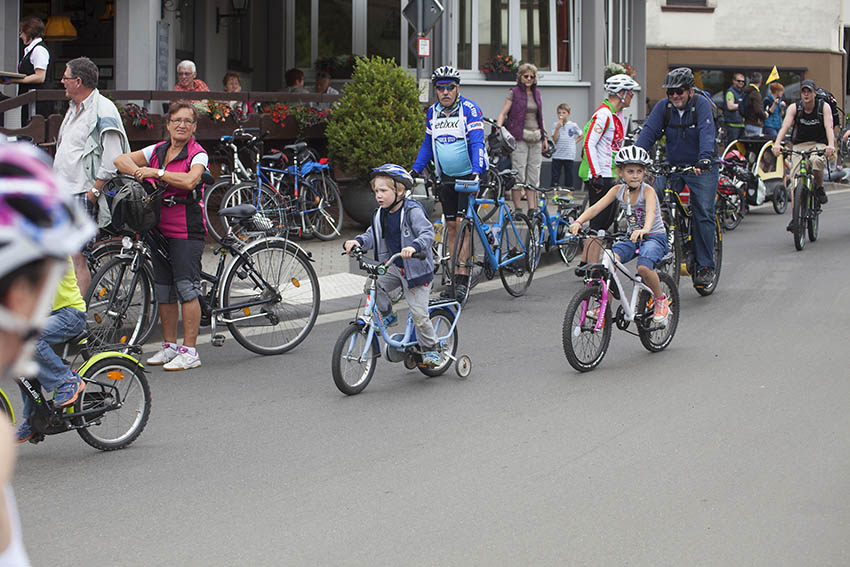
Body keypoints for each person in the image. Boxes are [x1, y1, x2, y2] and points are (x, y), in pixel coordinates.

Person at [0, 141, 96, 564]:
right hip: (47, 314)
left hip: (69, 316)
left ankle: (68, 382)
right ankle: (34, 418)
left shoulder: (49, 259)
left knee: (31, 347)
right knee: (24, 366)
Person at [114, 102, 209, 371]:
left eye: (188, 121)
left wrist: (157, 173)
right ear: (167, 124)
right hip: (157, 227)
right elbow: (120, 159)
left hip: (186, 229)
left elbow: (191, 181)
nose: (182, 125)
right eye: (177, 120)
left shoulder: (197, 154)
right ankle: (170, 347)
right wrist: (137, 171)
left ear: (194, 127)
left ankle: (190, 351)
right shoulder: (157, 149)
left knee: (187, 288)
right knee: (164, 289)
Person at [342, 165, 441, 367]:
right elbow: (371, 234)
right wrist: (357, 242)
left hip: (416, 270)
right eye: (376, 191)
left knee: (420, 315)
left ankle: (432, 349)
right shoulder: (381, 214)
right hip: (395, 266)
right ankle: (387, 316)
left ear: (399, 191)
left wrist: (414, 247)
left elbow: (427, 233)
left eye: (384, 191)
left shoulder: (412, 210)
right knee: (372, 285)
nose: (379, 195)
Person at [53, 56, 130, 297]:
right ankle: (67, 312)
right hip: (65, 192)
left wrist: (94, 191)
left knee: (77, 257)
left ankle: (76, 321)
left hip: (82, 191)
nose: (62, 82)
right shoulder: (74, 108)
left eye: (65, 78)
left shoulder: (103, 109)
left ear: (78, 81)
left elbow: (113, 157)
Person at [410, 65, 487, 302]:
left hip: (468, 176)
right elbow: (426, 145)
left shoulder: (469, 109)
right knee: (451, 227)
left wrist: (476, 171)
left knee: (463, 226)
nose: (445, 92)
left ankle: (462, 279)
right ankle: (454, 276)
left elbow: (477, 143)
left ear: (458, 88)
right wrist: (413, 170)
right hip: (446, 178)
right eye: (440, 88)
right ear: (436, 90)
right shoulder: (433, 112)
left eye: (450, 88)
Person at [636, 66, 718, 288]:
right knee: (655, 200)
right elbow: (648, 133)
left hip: (702, 166)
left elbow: (706, 133)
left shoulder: (700, 105)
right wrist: (634, 159)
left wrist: (704, 159)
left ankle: (705, 266)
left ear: (690, 90)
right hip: (672, 165)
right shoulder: (664, 108)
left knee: (702, 211)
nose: (674, 96)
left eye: (679, 91)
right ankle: (659, 249)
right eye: (670, 92)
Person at [569, 146, 670, 324]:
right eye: (630, 171)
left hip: (653, 236)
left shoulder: (648, 191)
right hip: (631, 237)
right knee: (607, 260)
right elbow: (596, 208)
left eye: (639, 171)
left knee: (644, 268)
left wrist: (645, 229)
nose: (635, 175)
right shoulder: (618, 191)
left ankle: (660, 300)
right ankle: (603, 303)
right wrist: (578, 221)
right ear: (620, 172)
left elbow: (652, 212)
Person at [575, 73, 640, 275]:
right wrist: (596, 174)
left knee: (602, 222)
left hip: (610, 173)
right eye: (630, 93)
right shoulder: (603, 114)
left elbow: (614, 148)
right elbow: (589, 142)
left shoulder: (617, 115)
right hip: (599, 174)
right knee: (599, 223)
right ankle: (592, 268)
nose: (631, 97)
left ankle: (585, 262)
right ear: (621, 93)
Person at [771, 79, 834, 232]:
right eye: (803, 92)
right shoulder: (795, 108)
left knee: (817, 161)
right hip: (799, 145)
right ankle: (795, 216)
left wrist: (830, 145)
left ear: (814, 93)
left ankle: (819, 188)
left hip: (818, 143)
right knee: (795, 179)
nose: (806, 94)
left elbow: (829, 126)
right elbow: (785, 126)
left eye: (809, 92)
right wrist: (777, 143)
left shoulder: (823, 107)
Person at [496, 63, 548, 213]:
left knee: (533, 173)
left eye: (532, 76)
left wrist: (544, 137)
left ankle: (532, 208)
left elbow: (540, 117)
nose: (529, 79)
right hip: (519, 136)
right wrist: (499, 130)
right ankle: (518, 208)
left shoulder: (537, 93)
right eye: (526, 76)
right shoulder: (514, 92)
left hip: (536, 137)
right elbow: (503, 113)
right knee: (518, 172)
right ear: (520, 77)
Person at [0, 17, 51, 124]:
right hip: (28, 101)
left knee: (34, 131)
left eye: (22, 32)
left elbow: (40, 77)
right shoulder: (31, 50)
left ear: (29, 32)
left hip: (37, 104)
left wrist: (14, 80)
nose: (20, 36)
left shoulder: (39, 50)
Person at [550, 103, 581, 188]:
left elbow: (581, 134)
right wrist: (557, 128)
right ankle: (555, 193)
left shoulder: (573, 125)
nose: (561, 115)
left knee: (569, 176)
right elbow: (555, 139)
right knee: (555, 176)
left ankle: (569, 194)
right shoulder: (555, 125)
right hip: (557, 154)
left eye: (564, 113)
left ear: (568, 114)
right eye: (559, 113)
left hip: (569, 154)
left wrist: (574, 142)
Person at [742, 71, 767, 137]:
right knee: (755, 145)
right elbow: (758, 110)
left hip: (747, 122)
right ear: (760, 82)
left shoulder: (745, 92)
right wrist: (764, 115)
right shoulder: (755, 94)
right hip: (755, 123)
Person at [724, 73, 746, 143]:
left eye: (743, 81)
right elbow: (730, 106)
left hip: (742, 124)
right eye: (739, 81)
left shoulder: (743, 92)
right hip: (732, 124)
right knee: (732, 146)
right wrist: (743, 105)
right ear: (734, 81)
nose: (741, 83)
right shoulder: (730, 92)